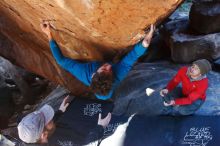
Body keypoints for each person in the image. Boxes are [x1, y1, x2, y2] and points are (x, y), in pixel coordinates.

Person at [40, 22, 155, 100]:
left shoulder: (83, 71)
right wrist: (145, 43)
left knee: (103, 93)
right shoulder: (116, 76)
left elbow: (61, 61)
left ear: (94, 73)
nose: (109, 67)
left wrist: (49, 35)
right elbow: (130, 59)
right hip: (107, 93)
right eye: (109, 70)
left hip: (99, 85)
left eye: (104, 68)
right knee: (107, 95)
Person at [17, 96, 111, 144]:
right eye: (49, 120)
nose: (52, 118)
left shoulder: (37, 137)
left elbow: (49, 127)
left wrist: (60, 111)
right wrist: (100, 128)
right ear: (44, 135)